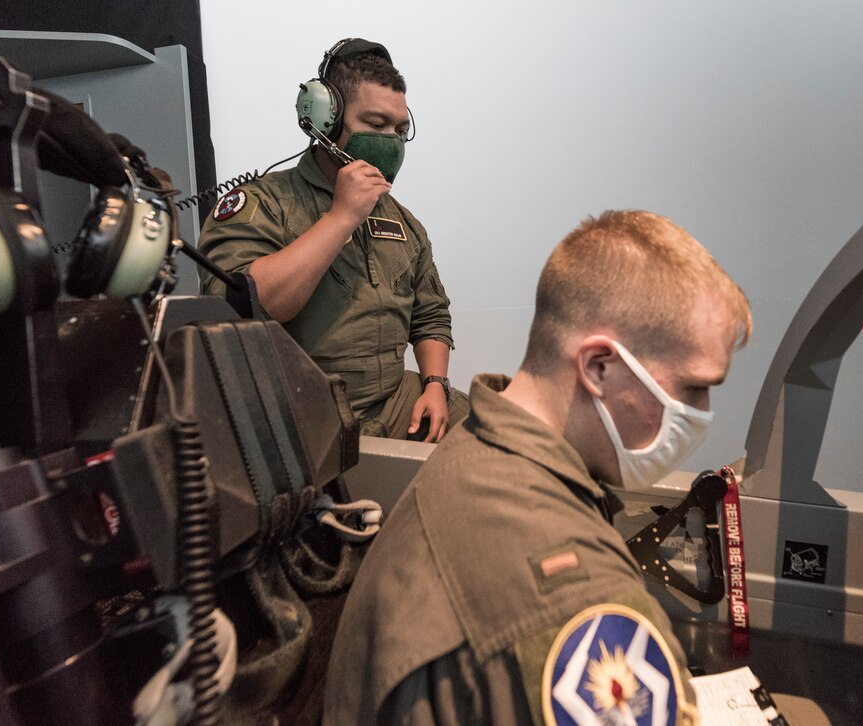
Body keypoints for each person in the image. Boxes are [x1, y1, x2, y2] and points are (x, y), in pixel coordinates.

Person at [323, 210, 753, 725]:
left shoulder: (475, 452)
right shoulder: (579, 598)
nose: (700, 415)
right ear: (598, 367)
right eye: (692, 388)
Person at [198, 38, 467, 443]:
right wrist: (341, 218)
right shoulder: (262, 204)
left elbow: (430, 315)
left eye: (400, 129)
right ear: (325, 121)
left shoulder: (402, 222)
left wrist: (434, 385)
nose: (391, 140)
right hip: (303, 416)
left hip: (394, 403)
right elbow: (243, 310)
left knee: (506, 434)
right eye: (376, 126)